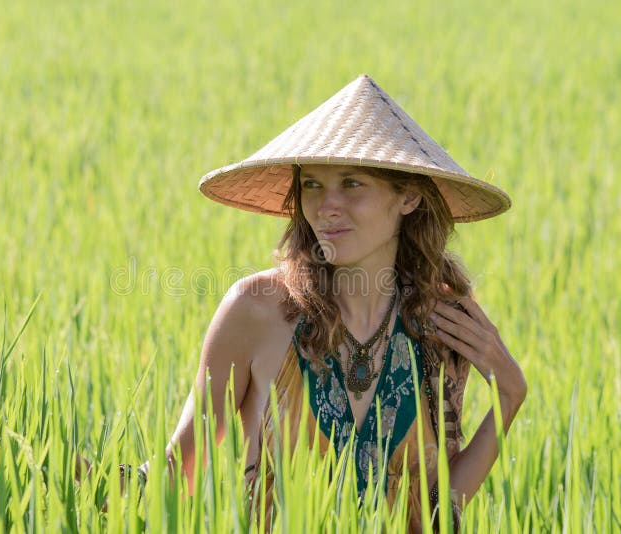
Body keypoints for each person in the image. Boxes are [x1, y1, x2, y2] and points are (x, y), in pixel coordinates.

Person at [87, 74, 528, 531]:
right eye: (313, 185)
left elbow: (435, 509)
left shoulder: (440, 321)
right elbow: (180, 468)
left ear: (409, 196)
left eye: (352, 183)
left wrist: (510, 398)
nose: (326, 206)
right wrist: (73, 480)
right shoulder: (256, 311)